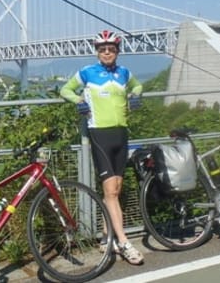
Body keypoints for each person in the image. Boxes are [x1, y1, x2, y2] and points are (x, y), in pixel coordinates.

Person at [60, 29, 144, 265]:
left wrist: (135, 95)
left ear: (117, 51)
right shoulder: (87, 72)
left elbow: (138, 87)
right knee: (110, 192)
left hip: (121, 134)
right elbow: (65, 89)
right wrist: (78, 100)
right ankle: (124, 242)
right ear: (97, 52)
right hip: (100, 135)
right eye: (102, 49)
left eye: (111, 49)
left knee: (116, 188)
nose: (107, 52)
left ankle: (107, 237)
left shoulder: (124, 73)